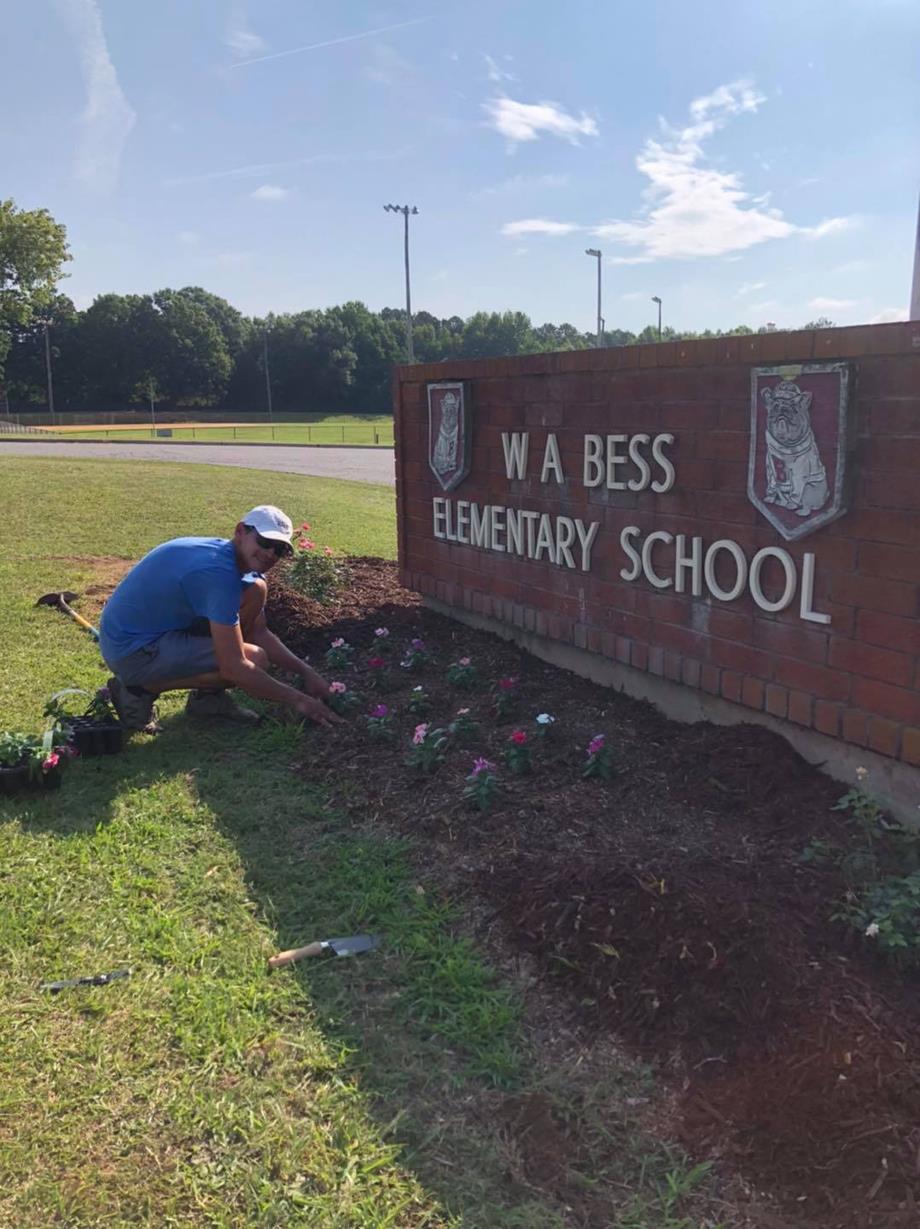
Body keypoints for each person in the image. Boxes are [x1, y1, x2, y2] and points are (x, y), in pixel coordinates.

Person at [98, 505, 341, 732]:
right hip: (131, 650)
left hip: (159, 630)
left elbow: (258, 632)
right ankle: (135, 691)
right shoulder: (217, 575)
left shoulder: (233, 563)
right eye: (265, 542)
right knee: (253, 659)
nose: (270, 553)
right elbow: (235, 667)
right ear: (240, 531)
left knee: (257, 591)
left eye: (279, 549)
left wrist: (306, 672)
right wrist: (300, 701)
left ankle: (207, 700)